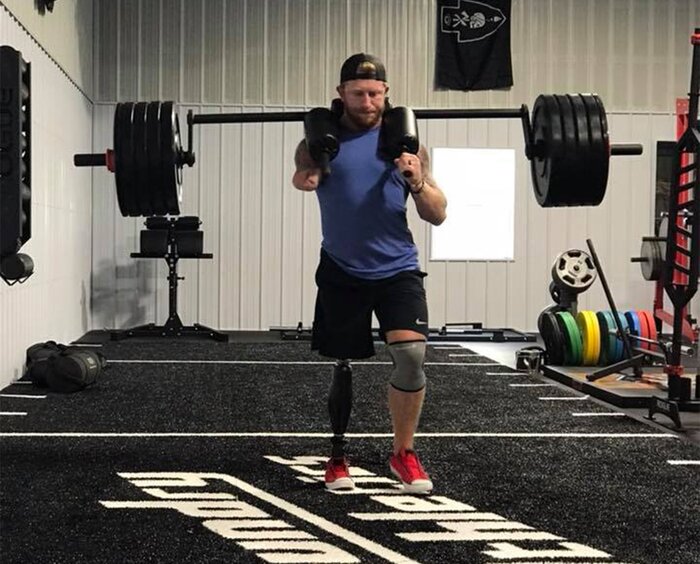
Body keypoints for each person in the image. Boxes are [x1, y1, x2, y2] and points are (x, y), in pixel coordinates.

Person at [291, 53, 447, 493]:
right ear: (341, 94)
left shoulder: (407, 144)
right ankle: (338, 457)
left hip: (397, 267)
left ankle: (403, 454)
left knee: (412, 356)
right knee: (343, 363)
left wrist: (417, 181)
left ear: (386, 95)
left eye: (375, 93)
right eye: (358, 93)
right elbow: (302, 172)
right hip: (342, 267)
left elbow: (437, 214)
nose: (367, 101)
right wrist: (304, 179)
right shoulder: (320, 141)